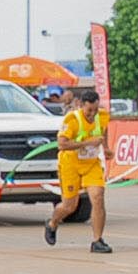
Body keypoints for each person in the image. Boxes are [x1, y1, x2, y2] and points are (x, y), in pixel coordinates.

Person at [44, 84, 113, 254]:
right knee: (69, 206)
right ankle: (52, 223)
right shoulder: (72, 120)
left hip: (91, 164)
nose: (92, 114)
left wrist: (105, 147)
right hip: (70, 165)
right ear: (81, 105)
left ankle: (97, 240)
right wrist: (87, 143)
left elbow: (103, 131)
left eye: (95, 110)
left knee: (98, 197)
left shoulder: (102, 116)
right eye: (89, 110)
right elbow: (62, 144)